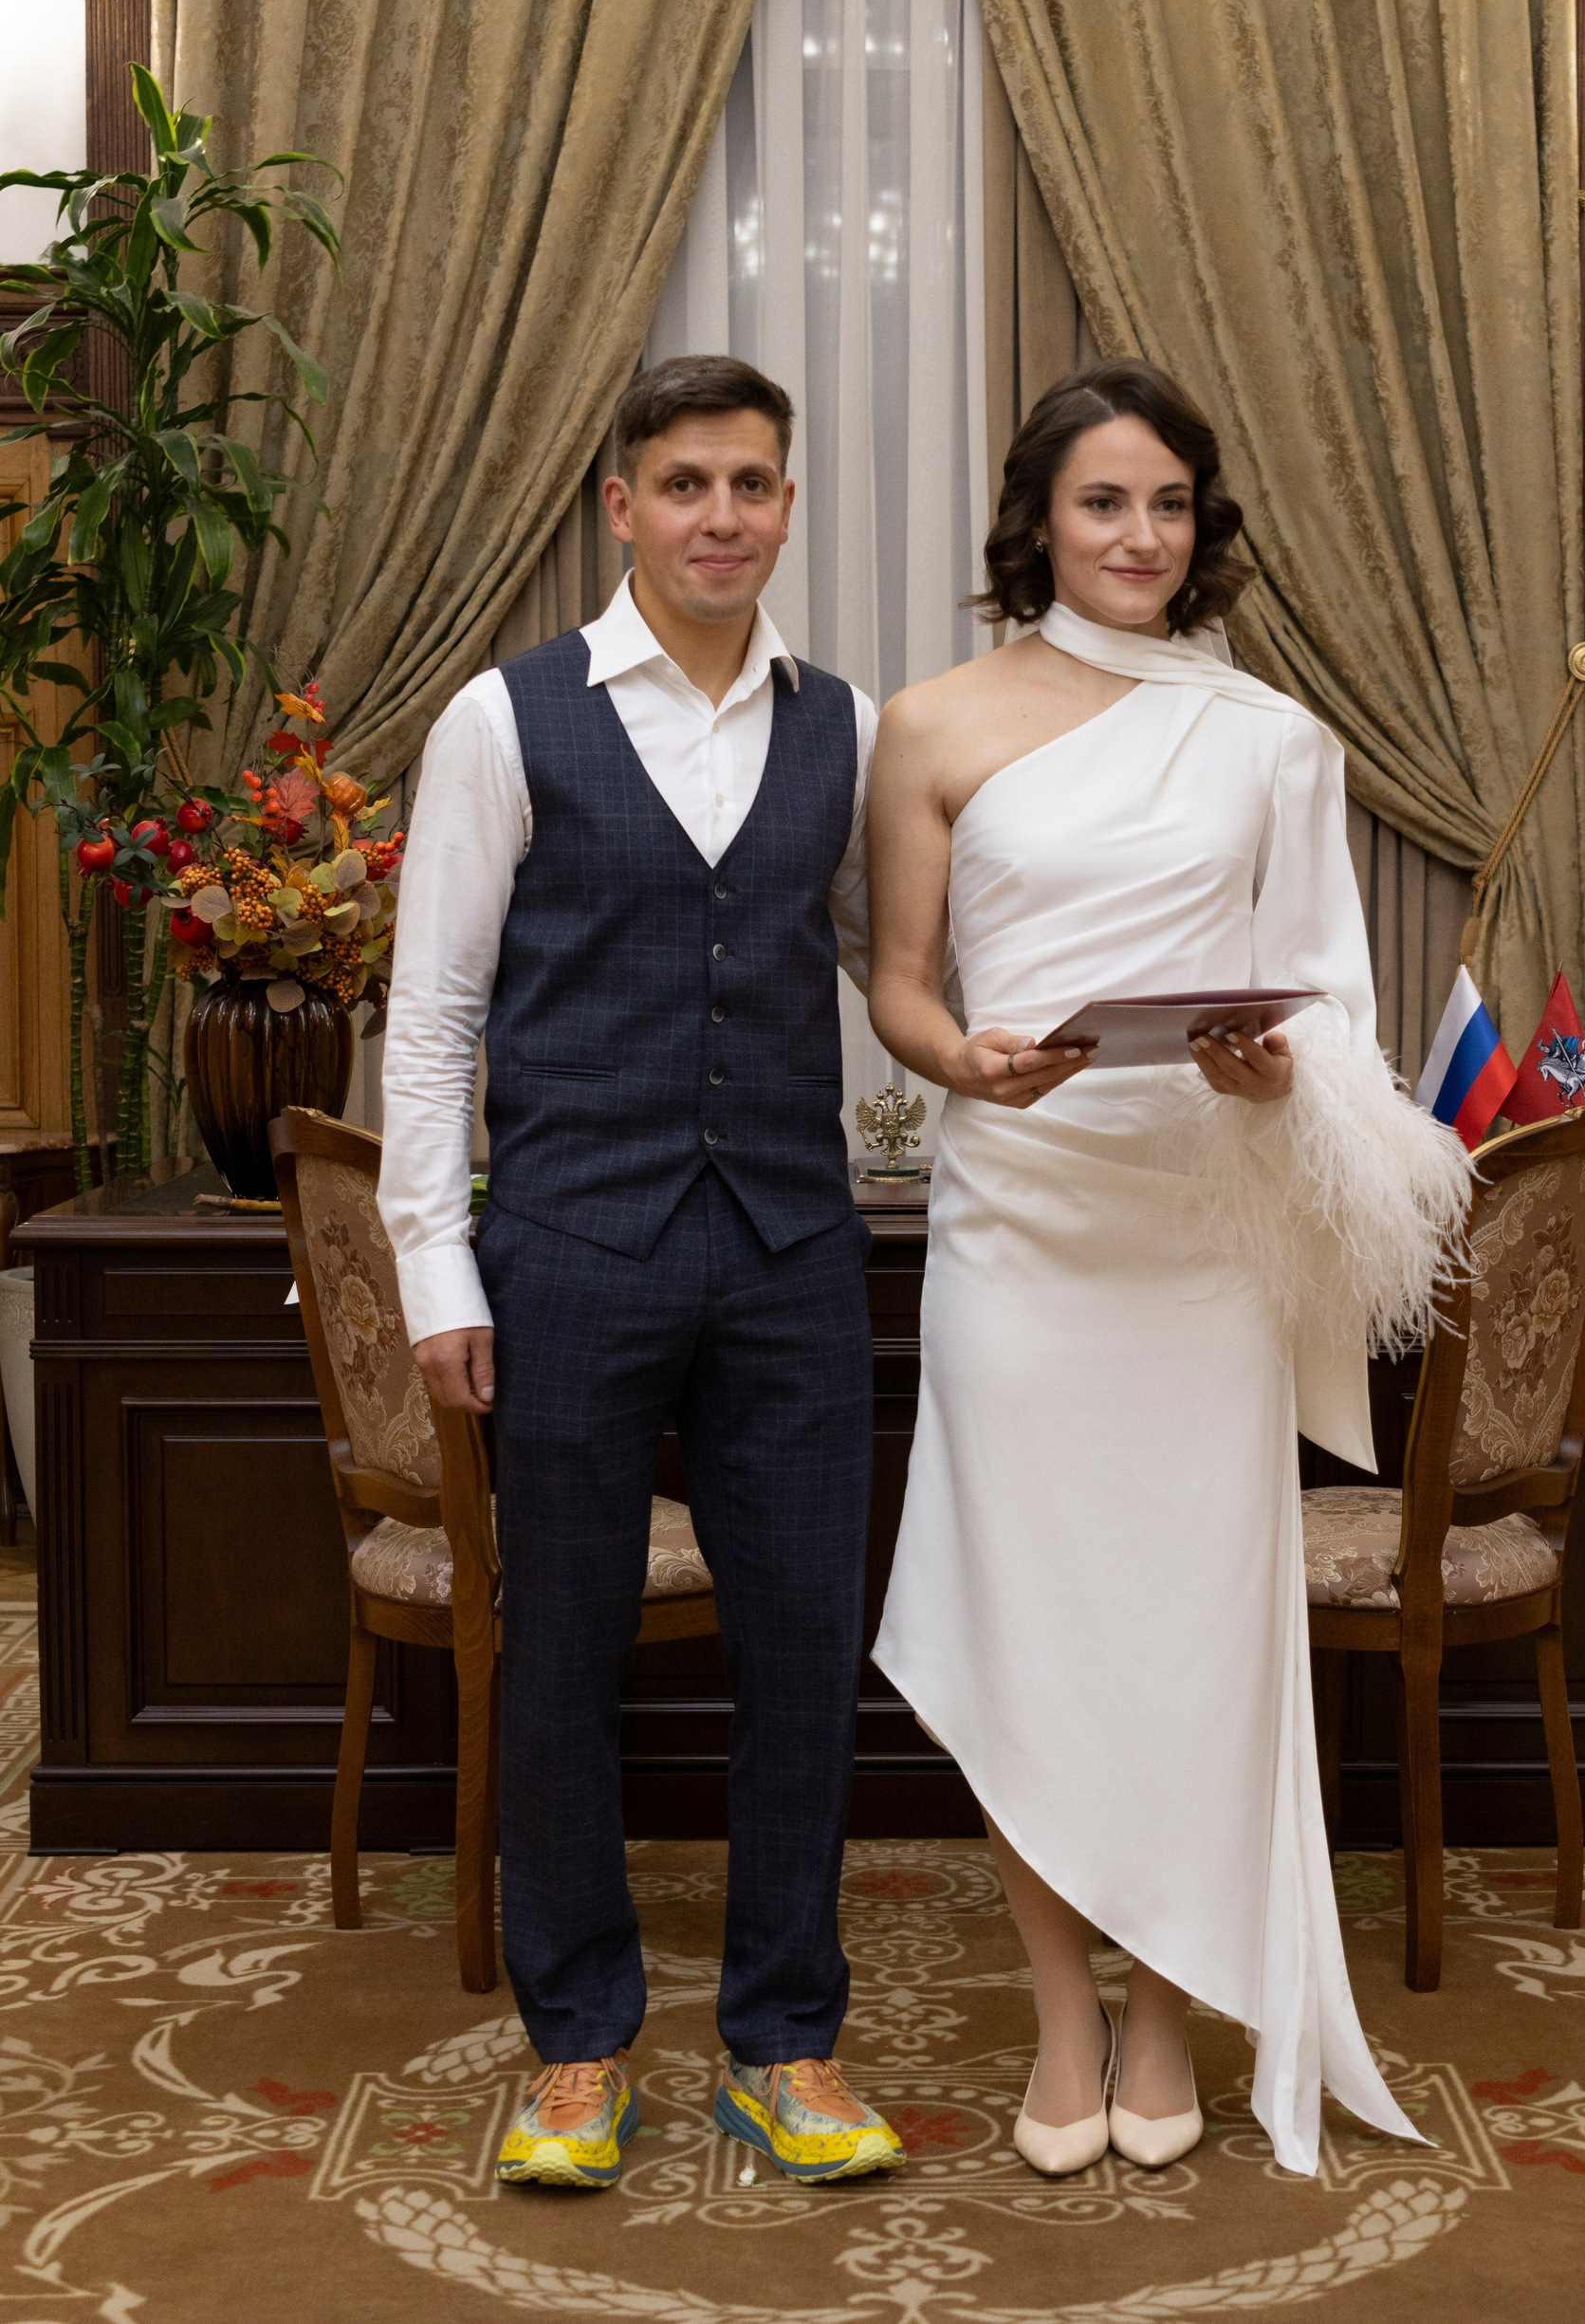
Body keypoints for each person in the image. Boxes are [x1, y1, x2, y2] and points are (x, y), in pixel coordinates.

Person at [866, 359, 1471, 2179]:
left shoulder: (1273, 737)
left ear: (1204, 527)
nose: (1140, 535)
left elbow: (1330, 1004)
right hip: (1019, 1222)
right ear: (1038, 521)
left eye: (1170, 504)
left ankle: (1164, 2009)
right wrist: (963, 1059)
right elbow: (904, 984)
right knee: (1028, 1625)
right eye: (1103, 502)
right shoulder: (932, 722)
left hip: (1202, 1231)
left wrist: (1277, 1073)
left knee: (1192, 1631)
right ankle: (1065, 2012)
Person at [378, 355, 906, 2192]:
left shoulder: (848, 730)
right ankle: (579, 2043)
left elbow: (896, 966)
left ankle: (786, 2038)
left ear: (786, 507)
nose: (720, 517)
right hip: (570, 1252)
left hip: (791, 1255)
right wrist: (438, 1269)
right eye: (685, 484)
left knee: (805, 1653)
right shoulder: (501, 719)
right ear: (621, 506)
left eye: (751, 485)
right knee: (562, 1657)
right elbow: (432, 1016)